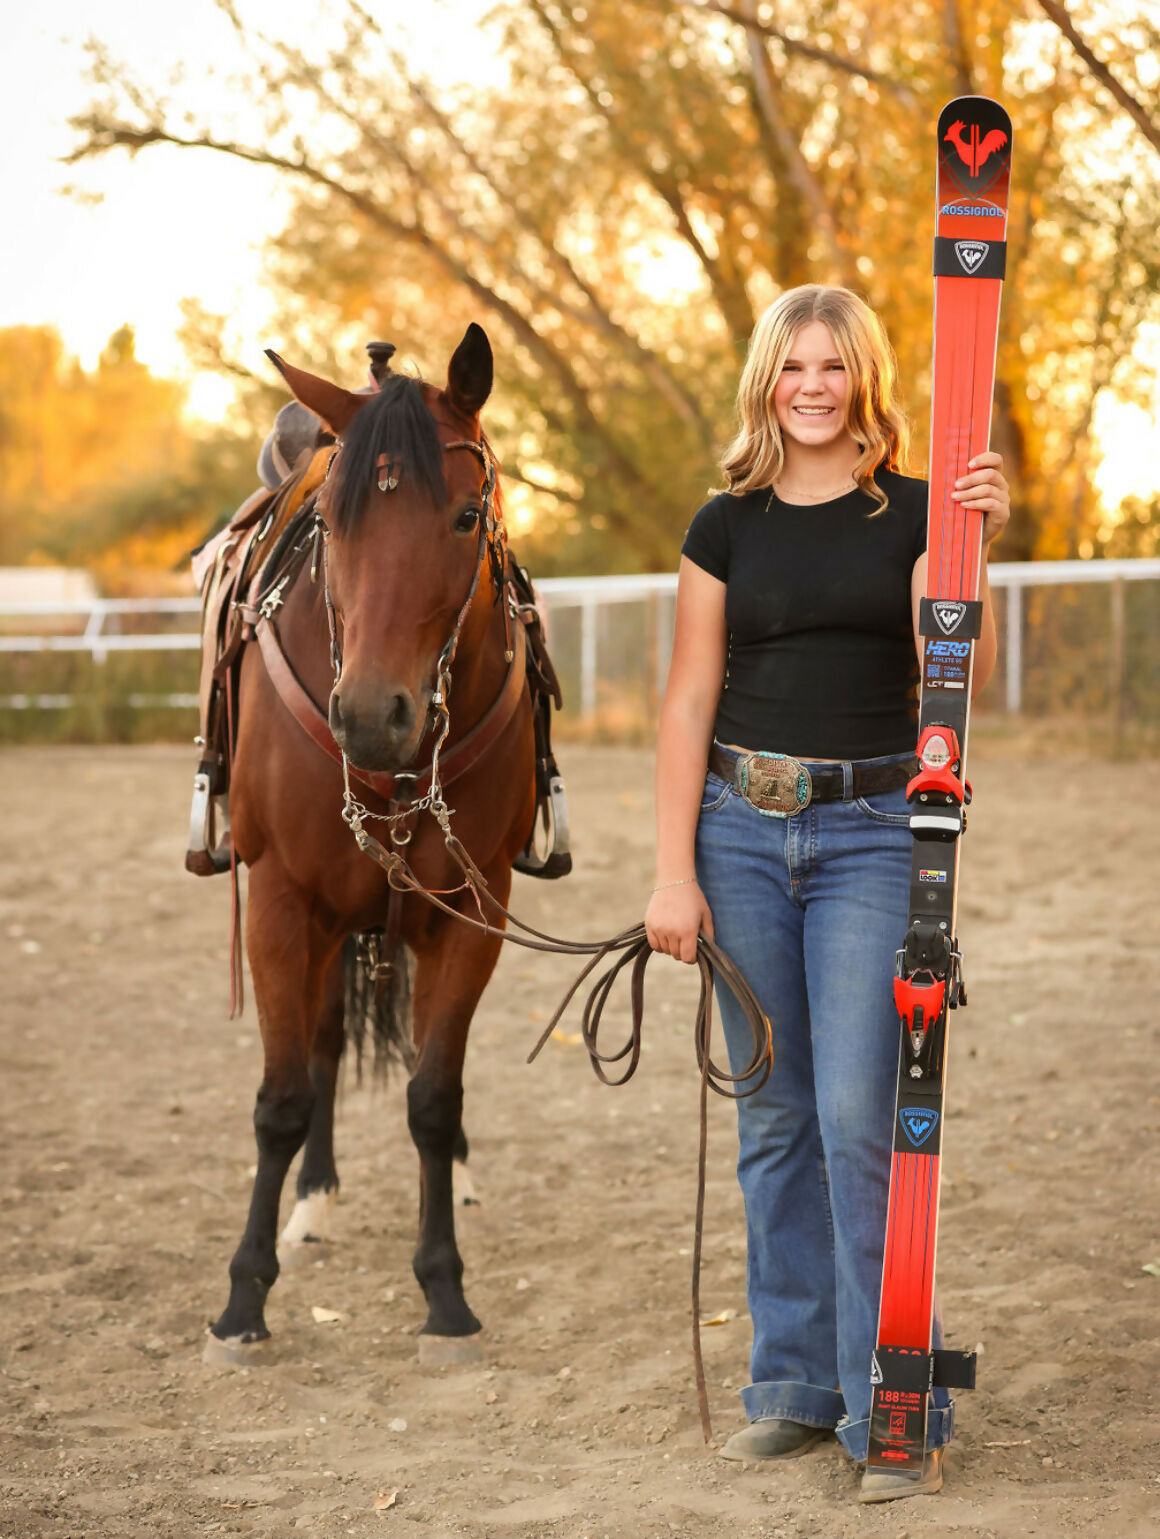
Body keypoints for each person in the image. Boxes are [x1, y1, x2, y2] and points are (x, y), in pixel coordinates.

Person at [644, 285, 1009, 1504]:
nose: (811, 387)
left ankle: (888, 1401)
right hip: (738, 834)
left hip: (867, 836)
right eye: (792, 367)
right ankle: (794, 1388)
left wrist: (971, 547)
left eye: (832, 366)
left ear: (863, 381)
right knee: (773, 1119)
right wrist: (671, 871)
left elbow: (953, 670)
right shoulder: (723, 526)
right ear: (766, 381)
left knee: (859, 1120)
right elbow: (686, 700)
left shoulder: (913, 513)